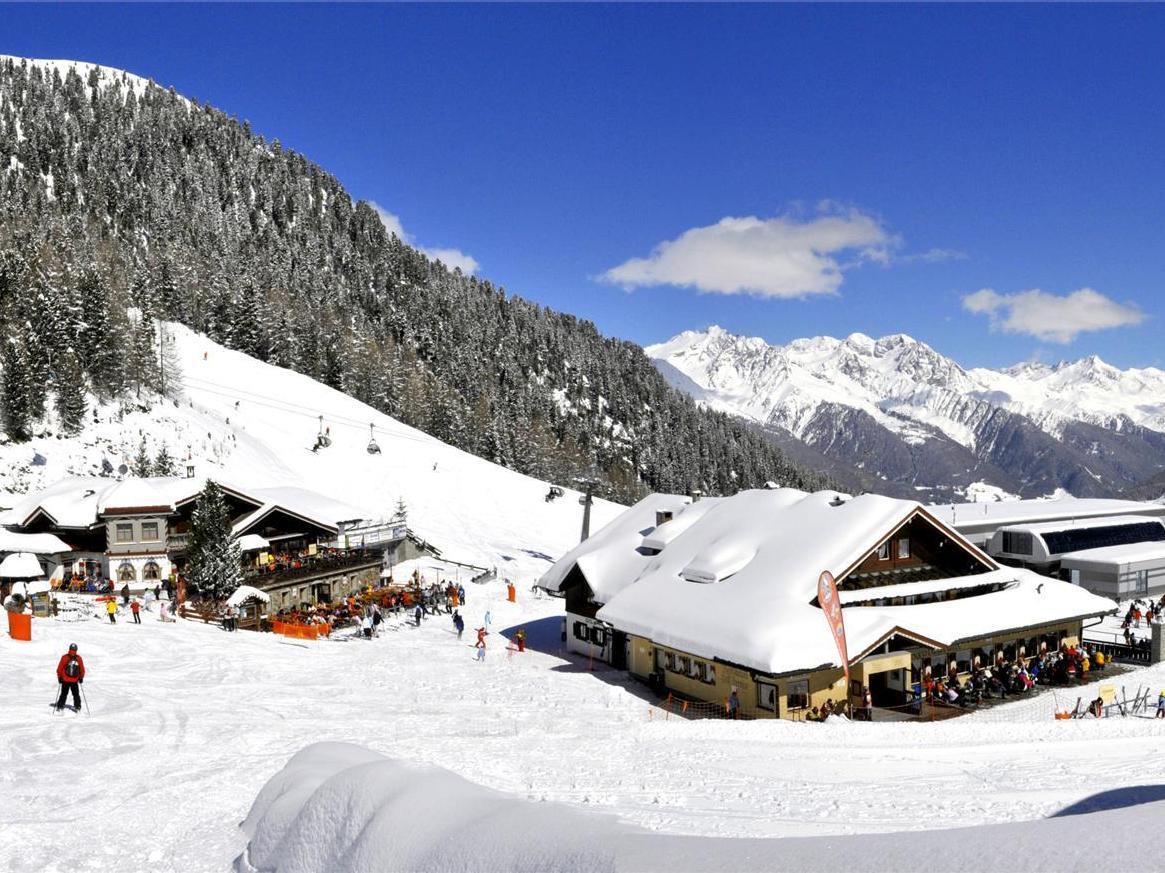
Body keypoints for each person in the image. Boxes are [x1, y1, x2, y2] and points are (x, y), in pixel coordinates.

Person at [55, 643, 85, 711]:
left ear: (69, 649)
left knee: (63, 694)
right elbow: (82, 669)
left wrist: (59, 677)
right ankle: (78, 706)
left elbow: (59, 669)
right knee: (76, 694)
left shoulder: (64, 657)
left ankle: (60, 706)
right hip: (75, 680)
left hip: (65, 680)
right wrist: (81, 677)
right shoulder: (79, 658)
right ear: (76, 650)